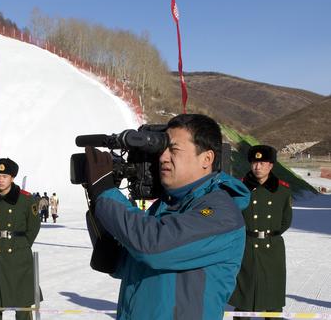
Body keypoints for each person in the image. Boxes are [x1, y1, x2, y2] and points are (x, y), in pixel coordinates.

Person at [83, 114, 250, 320]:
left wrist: (105, 192)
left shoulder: (221, 213)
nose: (163, 157)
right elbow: (127, 265)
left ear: (206, 159)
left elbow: (152, 245)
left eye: (174, 149)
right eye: (163, 150)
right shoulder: (166, 206)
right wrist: (98, 202)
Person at [229, 145, 293, 320]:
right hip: (247, 246)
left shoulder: (282, 190)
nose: (258, 167)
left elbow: (286, 221)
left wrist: (270, 234)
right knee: (244, 297)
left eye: (262, 163)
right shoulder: (239, 189)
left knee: (273, 297)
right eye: (254, 163)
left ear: (271, 165)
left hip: (272, 249)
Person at [0, 158, 41, 320]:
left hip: (19, 257)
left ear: (12, 178)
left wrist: (22, 245)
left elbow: (33, 227)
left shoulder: (26, 200)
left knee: (23, 304)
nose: (0, 180)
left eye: (4, 176)